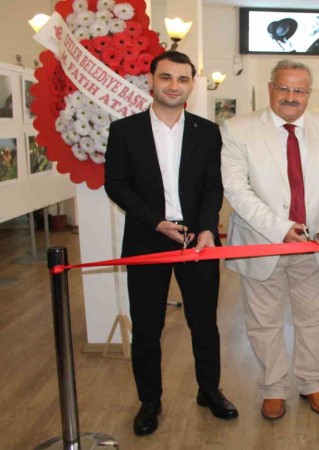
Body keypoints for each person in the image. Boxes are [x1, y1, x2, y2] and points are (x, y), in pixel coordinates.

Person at [104, 51, 238, 436]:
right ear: (150, 81)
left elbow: (213, 185)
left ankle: (209, 391)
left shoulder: (207, 131)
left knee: (204, 324)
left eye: (182, 79)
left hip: (198, 240)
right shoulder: (124, 130)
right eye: (166, 77)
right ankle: (150, 401)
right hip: (147, 238)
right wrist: (156, 222)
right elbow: (116, 185)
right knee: (147, 328)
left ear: (192, 84)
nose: (174, 86)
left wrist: (208, 228)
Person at [221, 59, 319, 421]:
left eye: (299, 90)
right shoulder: (237, 128)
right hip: (261, 242)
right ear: (270, 88)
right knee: (264, 321)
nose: (292, 96)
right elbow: (237, 189)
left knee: (313, 319)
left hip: (314, 244)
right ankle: (273, 388)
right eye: (284, 88)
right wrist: (280, 229)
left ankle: (312, 383)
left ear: (309, 93)